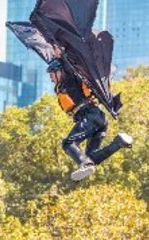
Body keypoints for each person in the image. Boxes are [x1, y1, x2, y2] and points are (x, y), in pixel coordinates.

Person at [47, 50, 132, 182]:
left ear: (60, 71)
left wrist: (60, 55)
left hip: (90, 115)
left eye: (52, 73)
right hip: (98, 119)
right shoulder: (63, 84)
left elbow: (69, 65)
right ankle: (118, 143)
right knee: (90, 157)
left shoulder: (69, 78)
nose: (50, 77)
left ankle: (84, 164)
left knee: (68, 143)